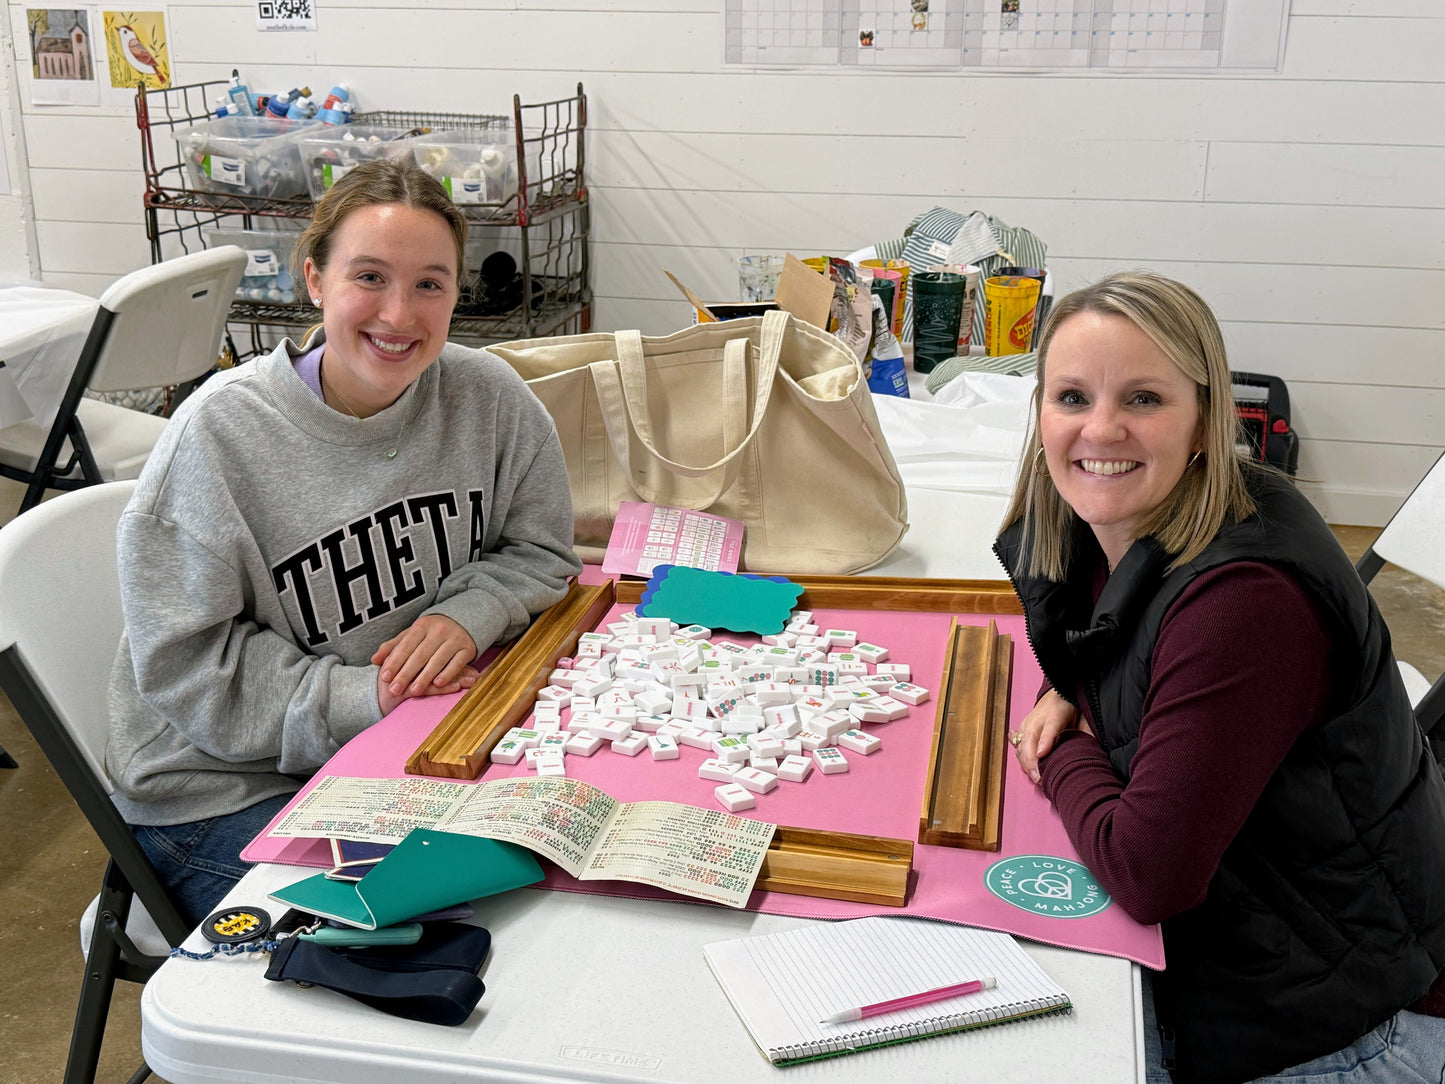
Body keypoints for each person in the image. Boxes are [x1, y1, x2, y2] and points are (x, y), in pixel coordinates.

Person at [994, 271, 1445, 1084]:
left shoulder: (1243, 604)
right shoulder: (1127, 519)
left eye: (1142, 400)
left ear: (1204, 419)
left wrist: (1055, 746)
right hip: (1290, 953)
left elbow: (1148, 872)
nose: (1100, 429)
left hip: (1349, 1028)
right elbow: (1098, 655)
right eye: (1070, 397)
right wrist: (1072, 688)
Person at [108, 158, 582, 926]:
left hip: (401, 744)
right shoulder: (218, 436)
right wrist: (364, 696)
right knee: (414, 948)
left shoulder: (490, 399)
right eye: (369, 276)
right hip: (226, 784)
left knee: (556, 892)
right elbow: (186, 663)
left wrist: (470, 613)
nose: (399, 314)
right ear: (315, 280)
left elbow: (542, 552)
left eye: (430, 283)